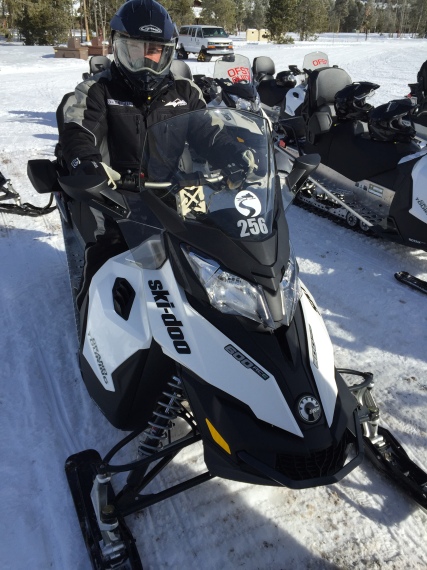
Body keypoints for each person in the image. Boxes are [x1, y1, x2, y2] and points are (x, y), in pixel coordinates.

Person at [60, 0, 254, 311]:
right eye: (135, 50)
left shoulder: (184, 92)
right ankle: (92, 324)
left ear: (167, 53)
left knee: (219, 252)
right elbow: (78, 132)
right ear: (119, 49)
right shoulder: (98, 91)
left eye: (156, 51)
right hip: (119, 195)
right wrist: (88, 163)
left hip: (178, 190)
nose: (146, 60)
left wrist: (233, 154)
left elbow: (210, 131)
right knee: (106, 261)